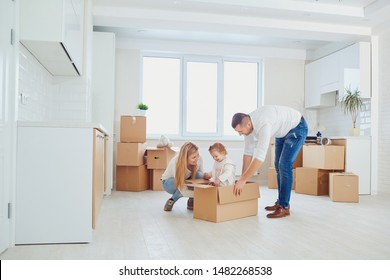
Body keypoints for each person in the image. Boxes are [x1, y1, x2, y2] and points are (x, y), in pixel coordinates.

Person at [231, 105, 308, 218]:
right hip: (281, 132)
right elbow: (248, 153)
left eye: (241, 131)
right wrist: (243, 178)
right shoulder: (248, 127)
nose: (240, 134)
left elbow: (259, 157)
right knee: (277, 165)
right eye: (238, 132)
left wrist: (243, 180)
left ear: (248, 124)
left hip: (297, 127)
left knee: (284, 165)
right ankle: (280, 202)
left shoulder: (263, 124)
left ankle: (284, 206)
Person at [162, 142, 206, 211]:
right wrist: (196, 194)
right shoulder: (176, 162)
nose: (197, 158)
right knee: (178, 186)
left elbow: (201, 178)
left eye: (197, 155)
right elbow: (179, 185)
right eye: (193, 157)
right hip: (170, 183)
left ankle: (191, 200)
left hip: (186, 180)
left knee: (200, 175)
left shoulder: (199, 159)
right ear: (185, 158)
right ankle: (173, 199)